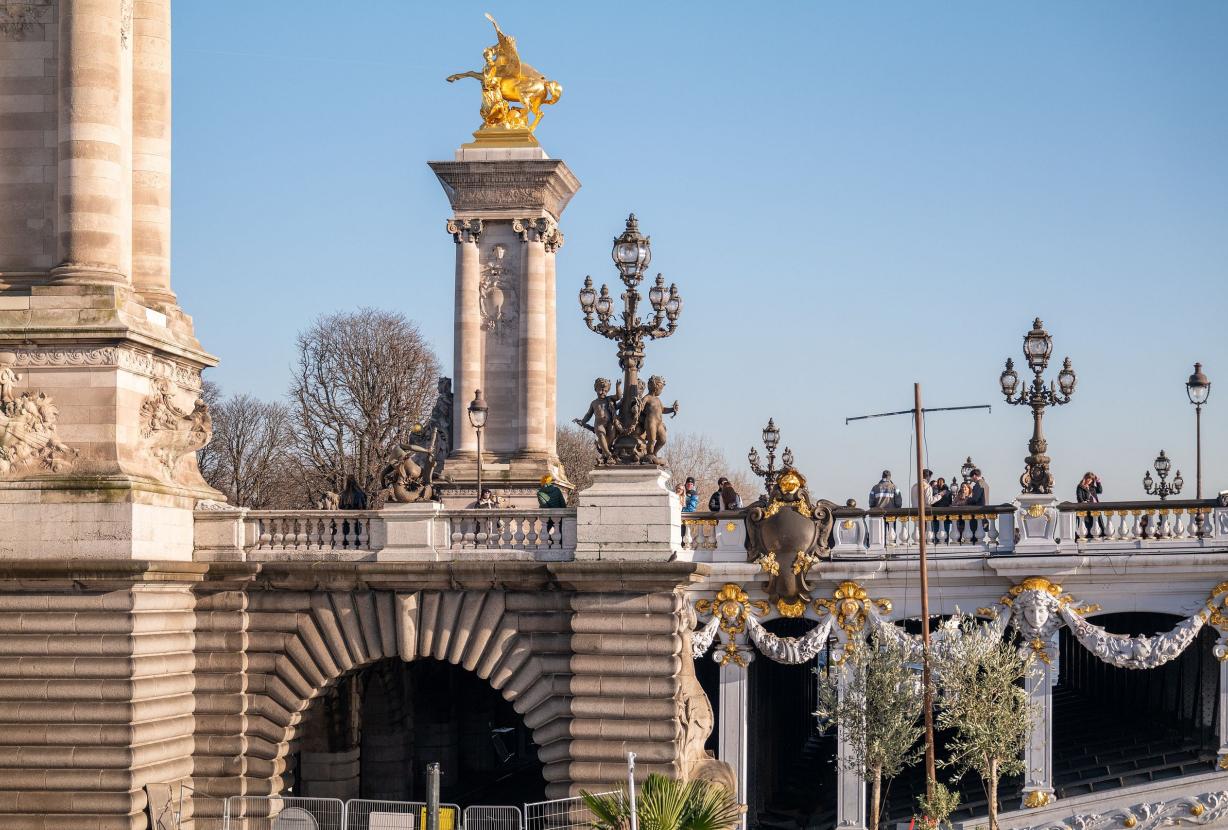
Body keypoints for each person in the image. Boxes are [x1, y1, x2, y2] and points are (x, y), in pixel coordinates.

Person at [1076, 472, 1103, 536]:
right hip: (1086, 509)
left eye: (1091, 479)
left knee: (1097, 523)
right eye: (1088, 478)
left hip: (1095, 508)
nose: (1089, 480)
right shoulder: (1080, 487)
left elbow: (1100, 491)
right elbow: (1079, 497)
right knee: (1088, 524)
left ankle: (1099, 535)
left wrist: (1098, 482)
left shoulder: (1092, 487)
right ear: (1085, 478)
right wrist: (1083, 502)